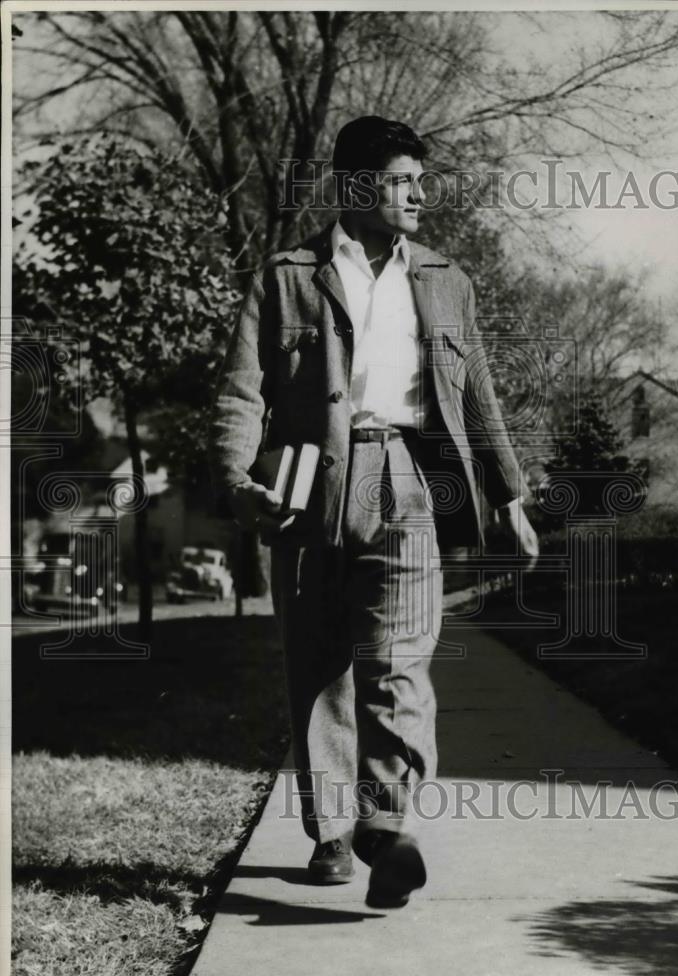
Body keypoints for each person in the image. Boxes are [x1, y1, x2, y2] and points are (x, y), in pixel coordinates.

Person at [207, 116, 539, 909]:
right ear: (356, 186)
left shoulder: (446, 279)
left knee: (397, 663)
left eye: (421, 182)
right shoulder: (286, 276)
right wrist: (236, 477)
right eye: (402, 181)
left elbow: (478, 396)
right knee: (318, 667)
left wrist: (510, 496)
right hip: (306, 486)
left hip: (406, 481)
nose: (420, 195)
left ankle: (385, 828)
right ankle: (330, 834)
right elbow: (240, 392)